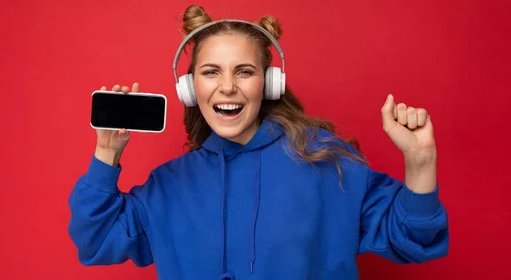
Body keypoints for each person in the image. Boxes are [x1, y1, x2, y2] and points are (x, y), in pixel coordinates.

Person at [68, 5, 449, 280]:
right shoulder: (167, 186)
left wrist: (420, 160)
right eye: (211, 72)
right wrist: (106, 153)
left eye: (244, 72)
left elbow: (412, 237)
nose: (227, 86)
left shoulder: (326, 161)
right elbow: (96, 241)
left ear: (269, 84)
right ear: (189, 88)